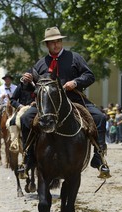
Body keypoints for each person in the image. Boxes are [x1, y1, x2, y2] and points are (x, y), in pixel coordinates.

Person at [19, 26, 111, 178]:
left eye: (58, 41)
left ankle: (99, 158)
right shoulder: (40, 64)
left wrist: (75, 82)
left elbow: (89, 75)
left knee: (100, 118)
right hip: (48, 105)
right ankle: (28, 157)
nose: (56, 45)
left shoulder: (75, 57)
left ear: (61, 42)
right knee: (25, 118)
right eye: (52, 42)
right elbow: (32, 88)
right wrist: (26, 81)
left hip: (74, 100)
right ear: (47, 45)